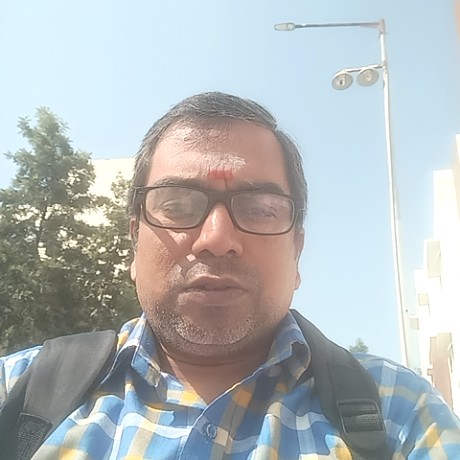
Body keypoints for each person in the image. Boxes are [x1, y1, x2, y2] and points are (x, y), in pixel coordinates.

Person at [1, 91, 460, 459]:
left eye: (260, 209)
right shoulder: (18, 390)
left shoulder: (401, 413)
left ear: (297, 250)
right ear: (134, 242)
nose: (217, 239)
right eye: (177, 205)